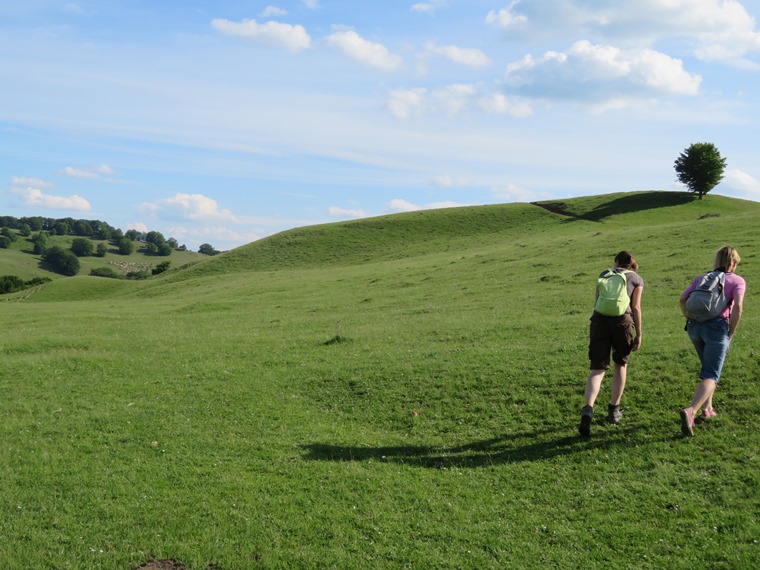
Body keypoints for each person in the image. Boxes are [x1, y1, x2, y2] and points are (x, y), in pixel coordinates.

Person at [679, 246, 745, 437]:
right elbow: (738, 306)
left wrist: (690, 319)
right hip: (717, 328)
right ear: (733, 263)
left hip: (694, 327)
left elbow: (683, 299)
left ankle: (708, 410)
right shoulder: (737, 280)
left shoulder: (702, 278)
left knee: (708, 368)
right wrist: (730, 331)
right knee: (711, 374)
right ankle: (691, 411)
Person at [579, 251, 644, 437]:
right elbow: (636, 307)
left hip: (599, 320)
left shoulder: (604, 274)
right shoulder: (637, 279)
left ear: (616, 261)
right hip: (622, 322)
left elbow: (597, 300)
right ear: (632, 264)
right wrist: (639, 333)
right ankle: (614, 411)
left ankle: (588, 409)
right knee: (620, 365)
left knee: (597, 369)